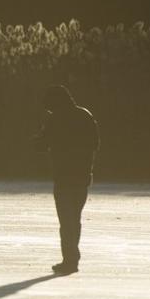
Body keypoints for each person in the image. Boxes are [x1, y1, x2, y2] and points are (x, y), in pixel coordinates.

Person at [34, 85, 100, 274]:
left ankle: (70, 260)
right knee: (74, 219)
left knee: (66, 220)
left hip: (64, 177)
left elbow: (40, 144)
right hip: (83, 176)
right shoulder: (85, 115)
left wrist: (39, 133)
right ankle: (72, 258)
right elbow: (96, 144)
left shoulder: (55, 119)